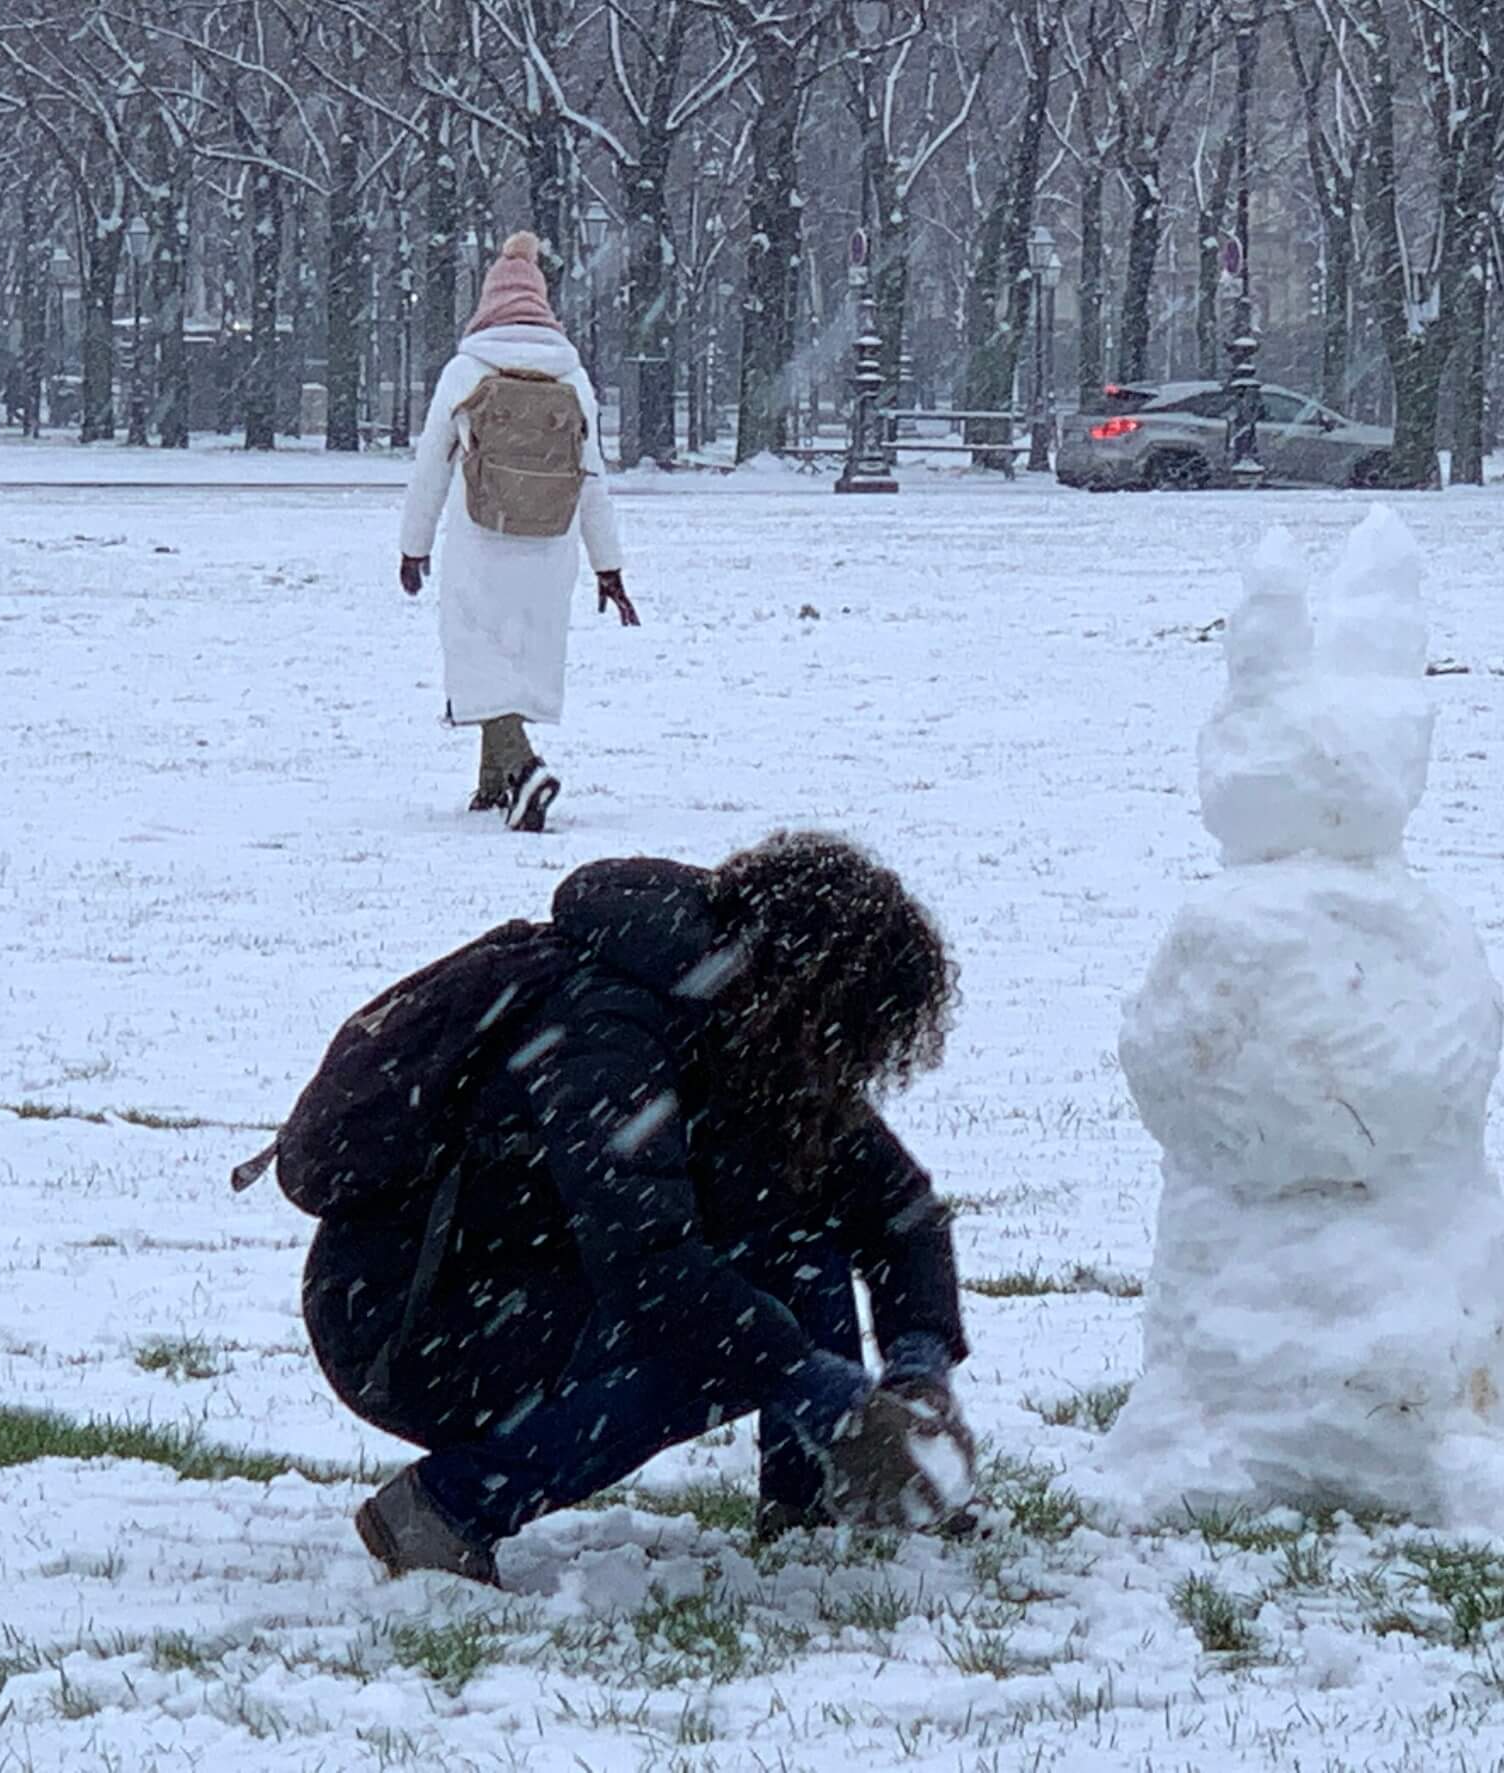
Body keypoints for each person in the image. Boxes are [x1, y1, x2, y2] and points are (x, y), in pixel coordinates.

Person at [302, 832, 974, 1586]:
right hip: (412, 1313)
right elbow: (649, 1270)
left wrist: (919, 1372)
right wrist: (830, 1396)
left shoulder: (755, 1029)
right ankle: (446, 1509)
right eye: (854, 1033)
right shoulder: (607, 1026)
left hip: (535, 1280)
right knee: (714, 1341)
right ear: (815, 994)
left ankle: (817, 1506)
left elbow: (900, 1210)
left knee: (796, 1257)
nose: (854, 1062)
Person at [399, 231, 638, 833]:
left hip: (482, 537)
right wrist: (609, 567)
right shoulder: (573, 379)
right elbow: (593, 479)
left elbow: (431, 465)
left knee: (478, 653)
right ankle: (494, 784)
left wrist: (413, 547)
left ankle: (526, 768)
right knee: (517, 658)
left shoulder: (465, 370)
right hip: (551, 543)